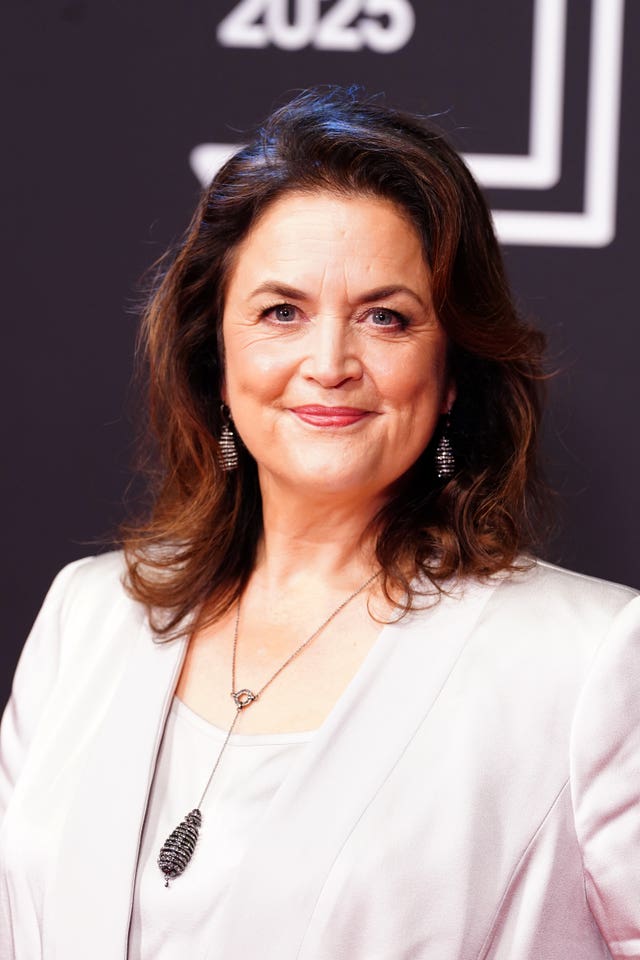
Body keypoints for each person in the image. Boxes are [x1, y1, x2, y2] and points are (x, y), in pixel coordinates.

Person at [1, 87, 638, 960]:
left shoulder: (590, 659)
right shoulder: (88, 616)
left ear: (451, 371)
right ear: (214, 358)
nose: (331, 364)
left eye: (386, 317)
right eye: (281, 313)